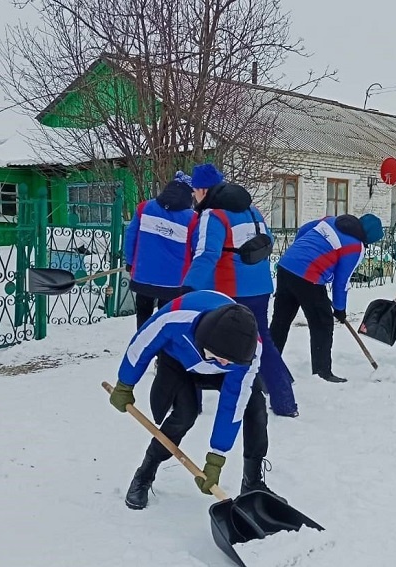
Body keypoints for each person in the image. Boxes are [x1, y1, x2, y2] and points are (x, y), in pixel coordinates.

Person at [108, 290, 280, 510]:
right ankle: (145, 473)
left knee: (255, 406)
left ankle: (253, 483)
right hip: (178, 361)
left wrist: (217, 456)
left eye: (230, 361)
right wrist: (125, 383)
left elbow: (233, 404)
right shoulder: (176, 318)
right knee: (184, 415)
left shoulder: (247, 352)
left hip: (221, 371)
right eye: (222, 358)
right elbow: (142, 344)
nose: (225, 363)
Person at [180, 163, 299, 418]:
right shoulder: (253, 211)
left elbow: (206, 255)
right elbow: (268, 241)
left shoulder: (213, 215)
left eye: (194, 191)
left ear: (201, 190)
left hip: (229, 291)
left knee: (204, 339)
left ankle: (192, 403)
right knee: (261, 342)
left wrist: (188, 289)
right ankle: (285, 400)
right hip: (260, 287)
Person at [269, 213, 384, 383]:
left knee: (281, 321)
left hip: (287, 265)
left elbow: (304, 230)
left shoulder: (330, 220)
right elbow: (341, 281)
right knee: (322, 324)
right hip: (309, 276)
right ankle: (322, 372)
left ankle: (266, 367)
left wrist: (301, 252)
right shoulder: (355, 247)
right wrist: (339, 309)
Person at [124, 171, 195, 329]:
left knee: (143, 314)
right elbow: (196, 250)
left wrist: (130, 263)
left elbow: (130, 238)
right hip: (174, 281)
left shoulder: (144, 208)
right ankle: (164, 352)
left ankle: (142, 347)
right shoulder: (192, 219)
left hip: (143, 275)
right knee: (167, 319)